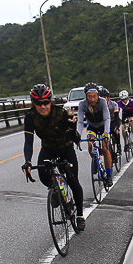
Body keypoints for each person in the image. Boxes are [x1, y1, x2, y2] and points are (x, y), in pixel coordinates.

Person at [20, 82, 85, 229]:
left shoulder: (60, 113)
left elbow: (75, 138)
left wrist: (72, 127)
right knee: (43, 175)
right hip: (48, 148)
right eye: (38, 103)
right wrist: (28, 162)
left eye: (45, 103)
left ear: (50, 101)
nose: (42, 106)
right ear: (33, 103)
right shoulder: (30, 117)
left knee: (73, 181)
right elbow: (28, 142)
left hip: (65, 148)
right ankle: (57, 190)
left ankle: (80, 215)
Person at [76, 83, 113, 187]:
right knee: (90, 145)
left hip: (102, 126)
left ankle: (109, 175)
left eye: (94, 96)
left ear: (98, 96)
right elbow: (80, 122)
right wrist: (78, 135)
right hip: (92, 126)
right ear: (86, 96)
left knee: (105, 148)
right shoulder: (82, 104)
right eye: (90, 96)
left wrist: (106, 133)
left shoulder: (102, 102)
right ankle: (95, 159)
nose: (92, 99)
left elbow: (107, 118)